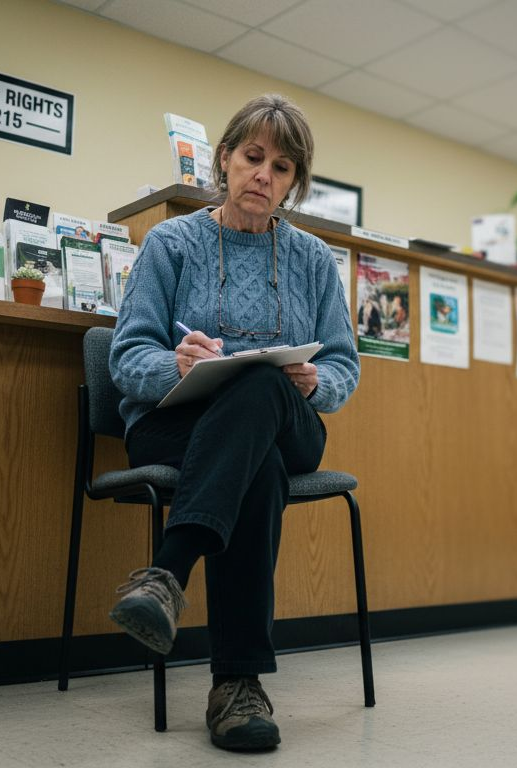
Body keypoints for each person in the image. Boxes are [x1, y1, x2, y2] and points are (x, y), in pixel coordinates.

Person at [106, 94, 359, 752]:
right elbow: (126, 360)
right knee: (258, 467)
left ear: (292, 183)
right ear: (224, 158)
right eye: (252, 157)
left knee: (262, 387)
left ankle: (167, 572)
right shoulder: (171, 243)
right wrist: (175, 363)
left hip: (287, 421)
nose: (263, 176)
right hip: (178, 423)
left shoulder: (311, 260)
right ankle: (237, 686)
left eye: (281, 168)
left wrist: (315, 381)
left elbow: (344, 368)